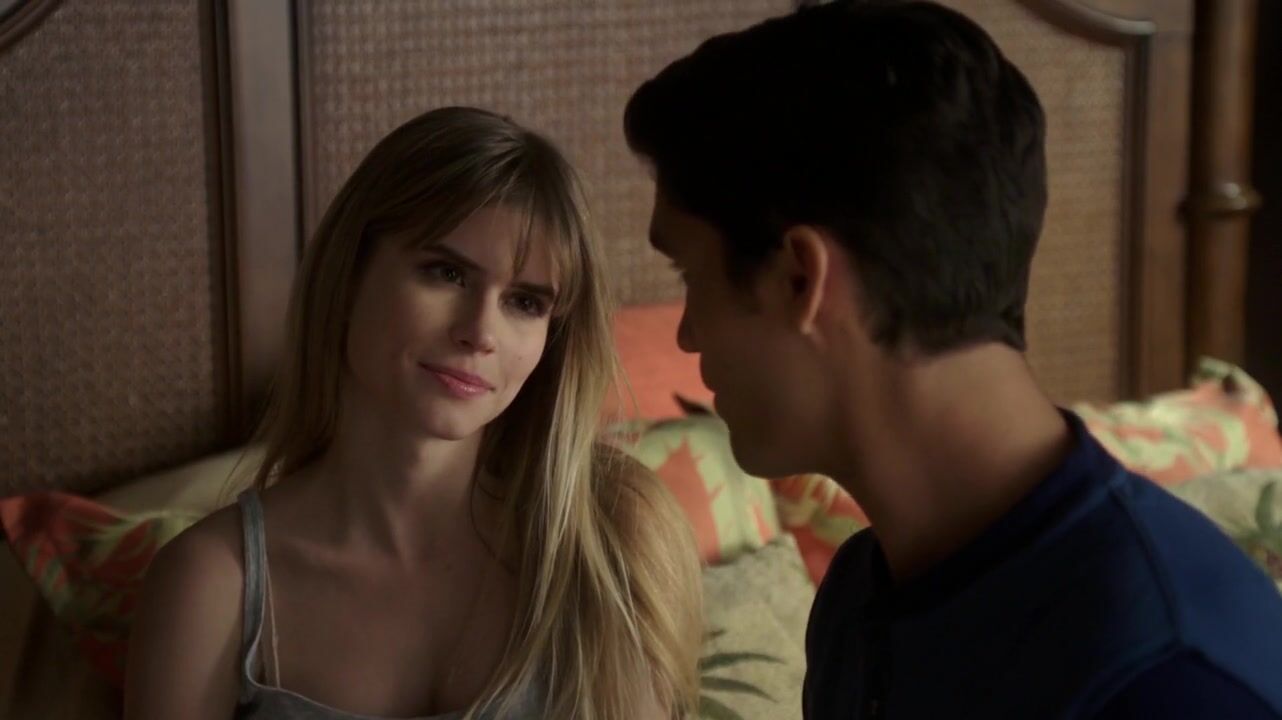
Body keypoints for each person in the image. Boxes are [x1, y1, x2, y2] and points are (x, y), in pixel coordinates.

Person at [623, 1, 1282, 718]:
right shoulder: (860, 597)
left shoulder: (1168, 680)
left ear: (800, 280)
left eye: (690, 275)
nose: (687, 335)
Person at [124, 106, 702, 720]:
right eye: (446, 273)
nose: (481, 332)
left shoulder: (607, 551)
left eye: (525, 302)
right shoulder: (214, 585)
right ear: (350, 273)